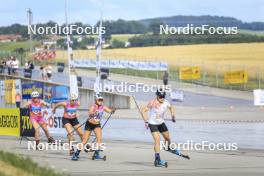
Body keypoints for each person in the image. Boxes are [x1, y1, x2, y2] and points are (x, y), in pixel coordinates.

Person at [141, 89, 189, 167]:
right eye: (160, 97)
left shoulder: (166, 102)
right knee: (157, 140)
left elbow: (171, 108)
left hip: (161, 123)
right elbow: (143, 110)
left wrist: (173, 115)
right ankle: (157, 160)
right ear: (157, 96)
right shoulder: (152, 103)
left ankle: (168, 148)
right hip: (153, 124)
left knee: (168, 138)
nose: (162, 98)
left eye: (163, 96)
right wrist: (146, 122)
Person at [71, 93, 116, 161]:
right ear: (96, 100)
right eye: (99, 100)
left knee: (99, 139)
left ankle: (96, 155)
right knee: (85, 140)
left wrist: (113, 111)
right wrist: (94, 113)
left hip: (97, 125)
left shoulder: (103, 107)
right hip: (89, 124)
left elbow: (110, 111)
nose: (101, 101)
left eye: (101, 100)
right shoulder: (93, 106)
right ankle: (76, 154)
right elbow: (90, 113)